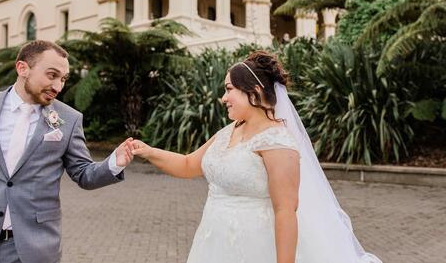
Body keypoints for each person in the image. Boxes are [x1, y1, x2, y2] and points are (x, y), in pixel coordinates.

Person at [131, 51, 383, 263]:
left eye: (229, 89)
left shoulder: (277, 141)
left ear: (253, 90)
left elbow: (285, 210)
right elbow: (187, 164)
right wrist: (147, 151)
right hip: (213, 243)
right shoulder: (227, 132)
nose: (223, 98)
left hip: (255, 248)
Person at [0, 40, 134, 263]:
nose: (58, 86)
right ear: (22, 68)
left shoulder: (70, 119)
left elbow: (83, 174)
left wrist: (115, 163)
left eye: (63, 79)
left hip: (36, 249)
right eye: (52, 75)